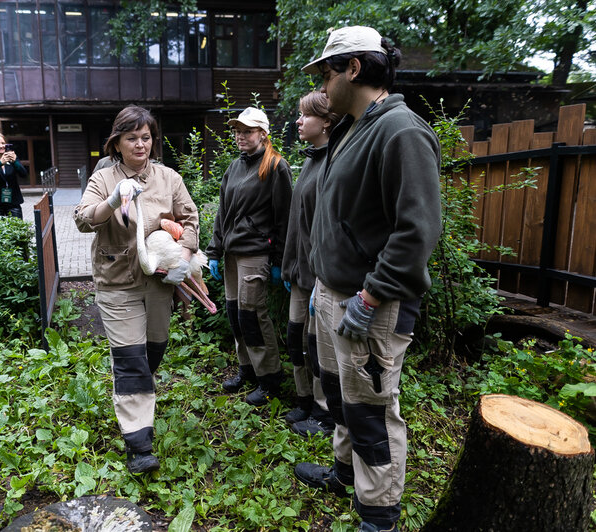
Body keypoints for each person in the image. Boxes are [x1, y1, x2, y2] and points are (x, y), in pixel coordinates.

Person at [294, 26, 442, 532]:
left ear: (354, 68)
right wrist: (322, 284)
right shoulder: (353, 128)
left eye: (327, 71)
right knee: (341, 396)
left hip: (372, 304)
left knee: (373, 409)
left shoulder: (400, 130)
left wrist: (371, 295)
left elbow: (417, 230)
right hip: (335, 293)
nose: (323, 82)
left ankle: (378, 515)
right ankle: (344, 473)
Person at [73, 105, 199, 474]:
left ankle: (137, 389)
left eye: (146, 137)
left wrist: (184, 258)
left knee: (152, 351)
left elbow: (190, 218)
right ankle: (139, 445)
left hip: (159, 283)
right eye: (132, 138)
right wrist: (112, 201)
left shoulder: (168, 178)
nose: (140, 144)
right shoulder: (106, 179)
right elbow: (82, 220)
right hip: (117, 283)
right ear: (117, 143)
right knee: (130, 360)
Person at [206, 107, 293, 406]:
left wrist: (280, 261)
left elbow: (284, 219)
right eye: (237, 131)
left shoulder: (275, 167)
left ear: (263, 134)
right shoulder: (234, 167)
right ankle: (248, 370)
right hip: (231, 254)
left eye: (247, 131)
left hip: (256, 253)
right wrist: (215, 251)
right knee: (235, 314)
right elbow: (222, 213)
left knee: (253, 316)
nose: (240, 136)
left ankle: (269, 379)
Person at [281, 92, 340, 437]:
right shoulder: (311, 159)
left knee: (319, 347)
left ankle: (324, 412)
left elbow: (327, 227)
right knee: (295, 338)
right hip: (300, 272)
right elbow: (297, 222)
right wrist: (288, 266)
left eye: (305, 116)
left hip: (320, 276)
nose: (299, 122)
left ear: (327, 122)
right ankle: (305, 400)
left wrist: (320, 277)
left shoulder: (333, 162)